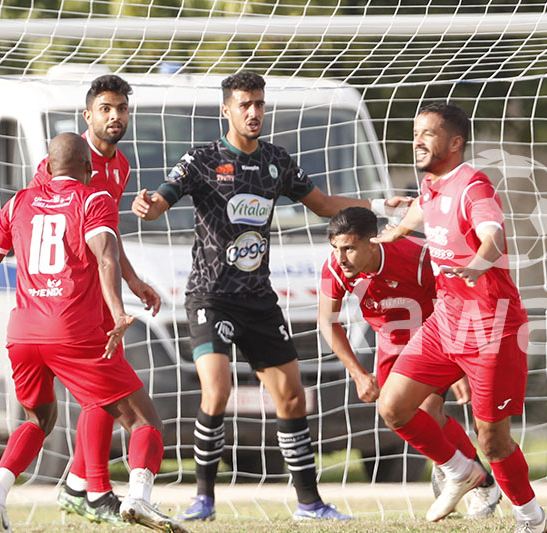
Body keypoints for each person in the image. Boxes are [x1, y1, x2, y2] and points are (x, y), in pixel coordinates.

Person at [132, 72, 405, 522]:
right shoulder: (202, 159)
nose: (254, 112)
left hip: (258, 300)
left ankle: (309, 504)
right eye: (245, 104)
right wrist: (149, 206)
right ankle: (203, 500)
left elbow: (322, 204)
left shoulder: (276, 161)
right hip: (210, 297)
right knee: (217, 390)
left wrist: (376, 207)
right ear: (227, 110)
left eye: (259, 103)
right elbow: (162, 199)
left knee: (292, 397)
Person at [0, 133, 185, 533]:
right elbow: (106, 257)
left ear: (47, 166)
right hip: (72, 332)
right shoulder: (93, 199)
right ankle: (138, 497)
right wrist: (117, 311)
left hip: (23, 334)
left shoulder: (18, 202)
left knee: (38, 419)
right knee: (144, 420)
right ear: (88, 167)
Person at [372, 103, 547, 533]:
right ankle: (460, 470)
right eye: (416, 133)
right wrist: (399, 229)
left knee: (493, 440)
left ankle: (532, 518)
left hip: (490, 326)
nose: (418, 141)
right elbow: (425, 205)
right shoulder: (431, 183)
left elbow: (493, 234)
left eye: (428, 134)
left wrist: (478, 264)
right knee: (393, 406)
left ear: (455, 143)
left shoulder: (475, 186)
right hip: (446, 321)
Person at [30, 74, 162, 525]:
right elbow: (36, 219)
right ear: (88, 115)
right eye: (106, 108)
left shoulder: (121, 166)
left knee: (104, 385)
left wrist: (134, 280)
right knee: (102, 387)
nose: (115, 116)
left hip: (102, 294)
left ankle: (80, 485)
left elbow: (108, 236)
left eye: (121, 108)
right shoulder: (62, 160)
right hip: (65, 299)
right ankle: (91, 489)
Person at [318, 206, 501, 518]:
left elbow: (454, 302)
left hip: (434, 334)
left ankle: (472, 479)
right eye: (336, 248)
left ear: (372, 242)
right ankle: (462, 470)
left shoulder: (417, 258)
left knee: (427, 410)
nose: (341, 257)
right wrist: (358, 373)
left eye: (348, 248)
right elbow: (327, 320)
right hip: (389, 341)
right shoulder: (335, 266)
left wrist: (458, 366)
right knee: (399, 414)